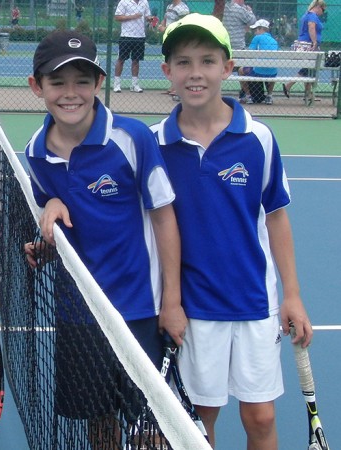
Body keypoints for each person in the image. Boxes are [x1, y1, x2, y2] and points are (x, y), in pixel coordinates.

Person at [153, 13, 314, 449]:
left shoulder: (258, 138)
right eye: (183, 62)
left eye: (207, 61)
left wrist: (292, 295)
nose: (196, 73)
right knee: (199, 419)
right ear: (167, 71)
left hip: (253, 301)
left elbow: (276, 216)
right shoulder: (154, 144)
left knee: (261, 417)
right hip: (193, 307)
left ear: (227, 68)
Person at [23, 30, 185, 447]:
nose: (70, 93)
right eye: (57, 82)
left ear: (99, 82)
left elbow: (164, 218)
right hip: (78, 311)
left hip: (139, 308)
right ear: (37, 86)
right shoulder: (36, 153)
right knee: (99, 422)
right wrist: (46, 238)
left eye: (82, 81)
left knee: (152, 428)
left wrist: (171, 302)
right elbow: (60, 224)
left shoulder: (132, 138)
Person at [283, 0, 327, 105]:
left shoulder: (307, 15)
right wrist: (314, 42)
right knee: (309, 68)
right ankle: (290, 85)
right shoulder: (312, 16)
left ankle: (308, 93)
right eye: (323, 9)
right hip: (309, 45)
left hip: (305, 44)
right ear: (318, 7)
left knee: (309, 69)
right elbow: (311, 27)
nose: (323, 12)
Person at [113, 0, 155, 93]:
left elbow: (147, 16)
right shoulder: (124, 2)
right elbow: (117, 17)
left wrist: (150, 19)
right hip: (126, 36)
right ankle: (116, 84)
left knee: (136, 61)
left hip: (140, 36)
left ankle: (134, 85)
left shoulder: (144, 2)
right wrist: (133, 16)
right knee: (121, 60)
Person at [239, 19, 278, 105]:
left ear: (261, 29)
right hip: (272, 73)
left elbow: (249, 53)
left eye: (256, 29)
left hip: (258, 71)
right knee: (272, 70)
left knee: (241, 70)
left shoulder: (257, 38)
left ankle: (248, 96)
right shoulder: (274, 41)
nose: (255, 32)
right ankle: (269, 96)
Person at [222, 0, 256, 100]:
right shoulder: (240, 9)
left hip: (225, 45)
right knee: (243, 69)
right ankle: (247, 94)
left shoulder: (225, 7)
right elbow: (252, 21)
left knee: (227, 68)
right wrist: (249, 11)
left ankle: (244, 93)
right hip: (238, 46)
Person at [157, 0, 189, 99]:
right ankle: (173, 86)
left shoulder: (183, 8)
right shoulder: (169, 6)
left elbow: (183, 25)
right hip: (168, 38)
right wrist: (162, 25)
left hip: (177, 38)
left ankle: (177, 88)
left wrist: (165, 29)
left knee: (176, 61)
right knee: (169, 61)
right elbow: (165, 19)